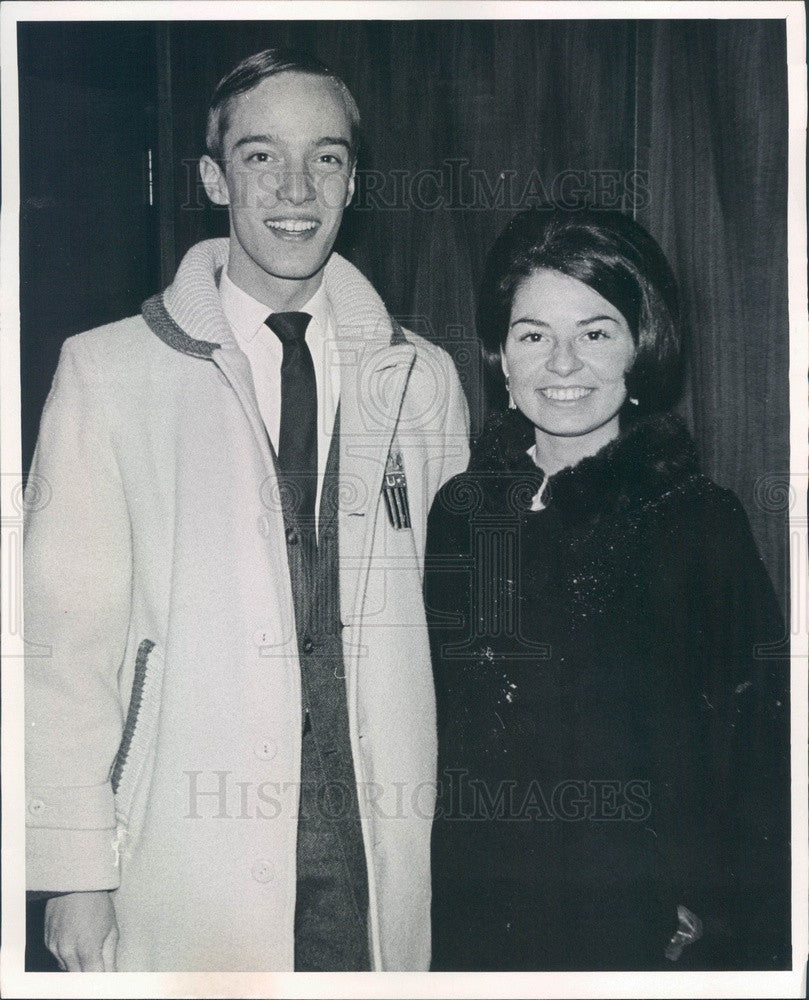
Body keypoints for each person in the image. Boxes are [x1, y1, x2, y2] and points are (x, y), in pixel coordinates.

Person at [24, 47, 469, 972]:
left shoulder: (421, 377)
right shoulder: (108, 373)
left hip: (372, 854)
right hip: (184, 847)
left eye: (328, 157)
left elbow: (451, 631)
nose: (295, 186)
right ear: (212, 177)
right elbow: (61, 648)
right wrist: (70, 871)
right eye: (262, 156)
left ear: (354, 178)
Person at [425, 207, 790, 971]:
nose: (562, 366)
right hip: (477, 912)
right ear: (500, 354)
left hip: (637, 919)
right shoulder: (461, 512)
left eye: (594, 333)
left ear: (641, 344)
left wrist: (714, 907)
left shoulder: (694, 520)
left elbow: (758, 746)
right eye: (533, 335)